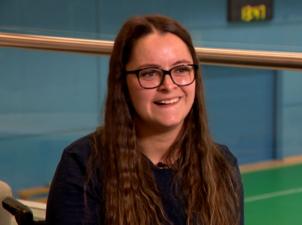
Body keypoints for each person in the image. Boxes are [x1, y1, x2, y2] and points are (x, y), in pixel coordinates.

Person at [46, 15, 243, 225]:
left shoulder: (221, 165)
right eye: (150, 73)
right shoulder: (83, 166)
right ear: (122, 83)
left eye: (181, 69)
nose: (168, 85)